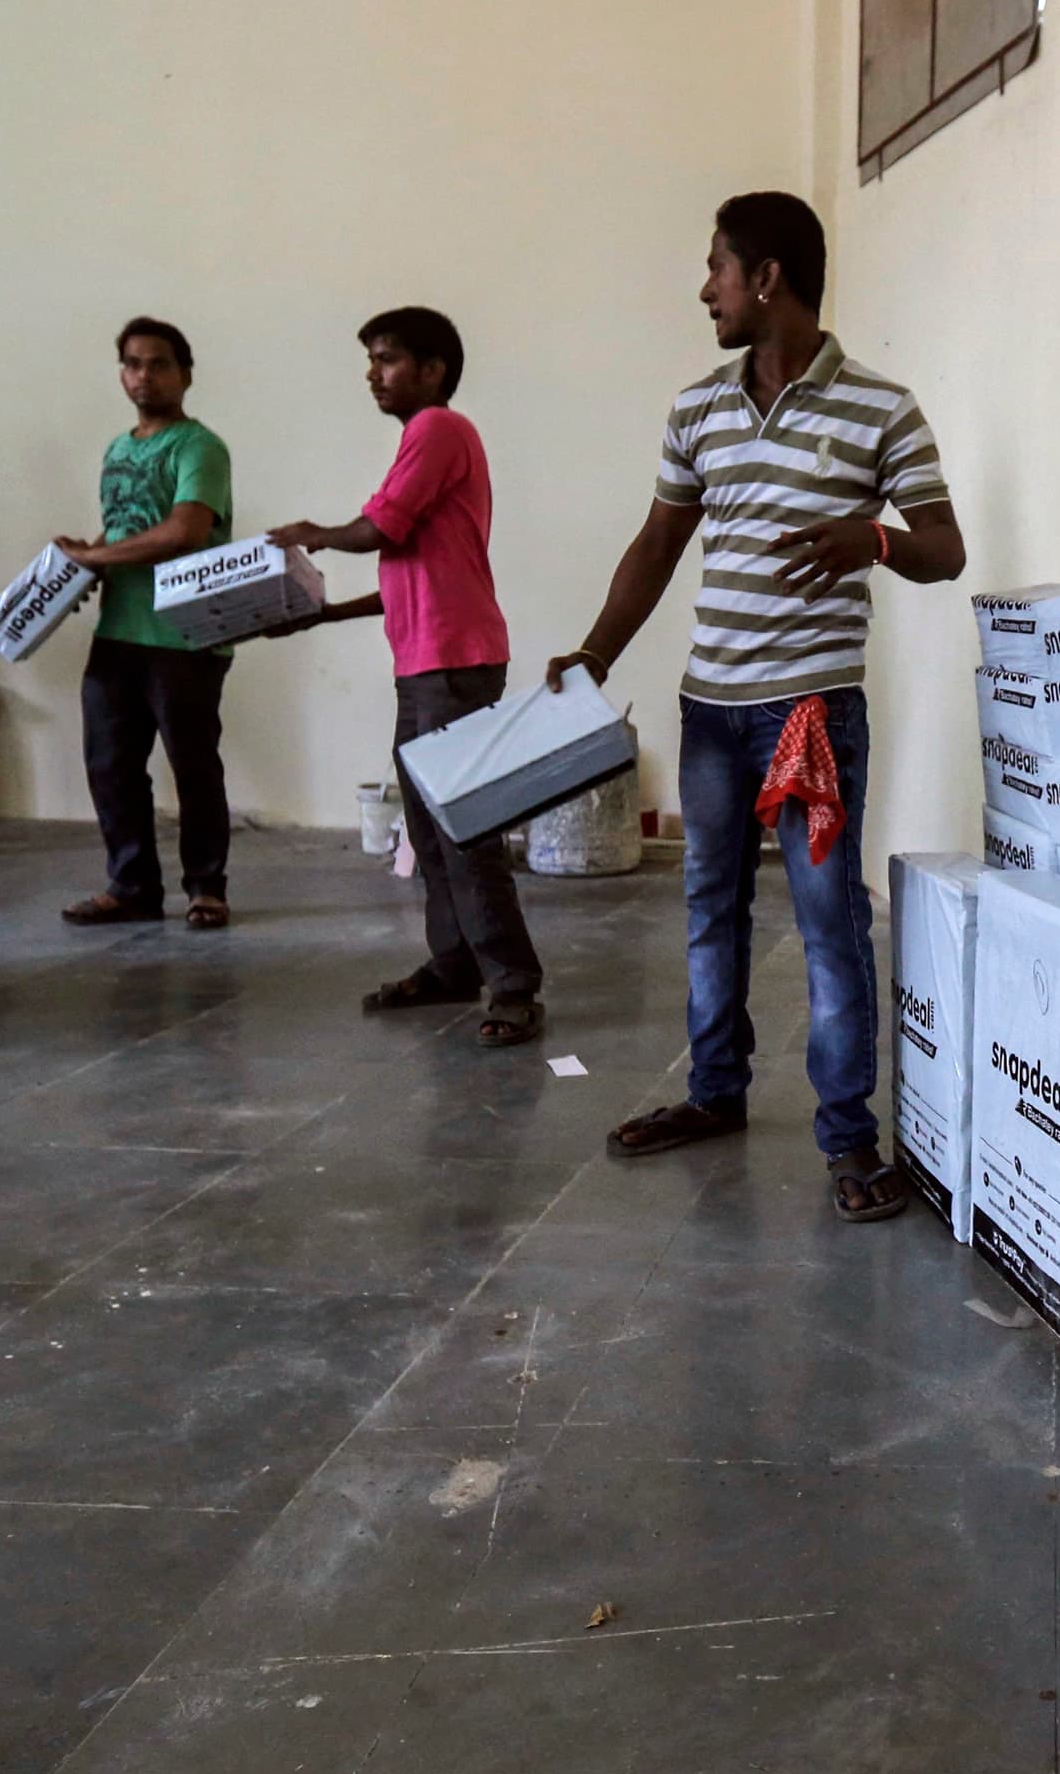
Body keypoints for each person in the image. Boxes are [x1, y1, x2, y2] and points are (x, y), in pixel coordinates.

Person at [547, 192, 964, 1222]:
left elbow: (943, 549)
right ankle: (714, 1093)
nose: (706, 291)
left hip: (808, 714)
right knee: (709, 908)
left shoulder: (882, 409)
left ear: (766, 277)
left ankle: (848, 1138)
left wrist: (871, 539)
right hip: (712, 713)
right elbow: (658, 544)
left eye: (716, 269)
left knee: (827, 921)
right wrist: (595, 651)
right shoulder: (696, 410)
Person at [268, 306, 544, 1048]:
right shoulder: (421, 441)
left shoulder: (439, 429)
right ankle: (454, 964)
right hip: (426, 663)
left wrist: (316, 534)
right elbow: (406, 571)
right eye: (371, 360)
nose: (373, 374)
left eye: (386, 359)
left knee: (465, 830)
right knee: (426, 828)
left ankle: (514, 984)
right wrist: (320, 615)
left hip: (455, 663)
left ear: (433, 369)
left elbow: (379, 529)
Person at [52, 318, 235, 929]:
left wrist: (97, 558)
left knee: (193, 767)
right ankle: (132, 887)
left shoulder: (199, 447)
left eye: (158, 364)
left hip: (184, 636)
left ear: (185, 374)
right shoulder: (117, 449)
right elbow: (127, 527)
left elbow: (184, 531)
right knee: (110, 767)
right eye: (132, 364)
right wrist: (82, 562)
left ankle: (206, 889)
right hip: (118, 634)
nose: (144, 376)